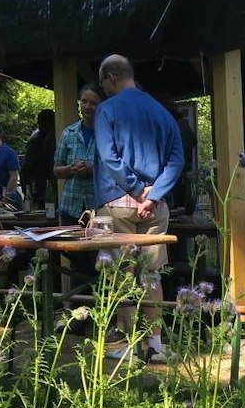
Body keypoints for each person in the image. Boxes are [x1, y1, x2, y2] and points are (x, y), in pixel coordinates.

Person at [93, 55, 186, 356]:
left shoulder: (107, 110)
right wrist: (154, 195)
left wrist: (136, 189)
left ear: (110, 77)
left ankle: (130, 346)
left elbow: (109, 159)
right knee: (151, 275)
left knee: (122, 274)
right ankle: (156, 346)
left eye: (102, 82)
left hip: (118, 202)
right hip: (155, 207)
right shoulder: (162, 113)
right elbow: (177, 160)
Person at [53, 85, 102, 224]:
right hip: (70, 207)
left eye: (93, 103)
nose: (87, 106)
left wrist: (91, 168)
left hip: (99, 207)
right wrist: (70, 169)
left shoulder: (107, 134)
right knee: (70, 245)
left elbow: (115, 170)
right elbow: (56, 170)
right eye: (84, 101)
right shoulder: (68, 133)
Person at [21, 109, 57, 211]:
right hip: (43, 190)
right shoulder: (37, 140)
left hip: (45, 187)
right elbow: (25, 169)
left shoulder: (42, 137)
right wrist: (29, 194)